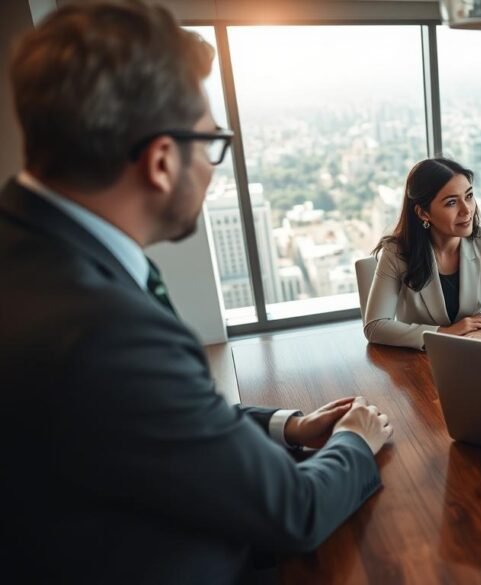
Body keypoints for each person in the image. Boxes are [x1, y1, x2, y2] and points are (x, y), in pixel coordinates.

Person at [0, 2, 392, 583]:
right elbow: (294, 511)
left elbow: (155, 416)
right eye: (211, 144)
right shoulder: (105, 330)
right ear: (161, 161)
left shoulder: (29, 252)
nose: (212, 169)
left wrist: (286, 424)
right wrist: (355, 441)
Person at [363, 157, 481, 349]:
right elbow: (375, 327)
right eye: (451, 203)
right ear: (423, 213)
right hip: (419, 361)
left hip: (477, 353)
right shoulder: (396, 253)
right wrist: (444, 333)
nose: (466, 210)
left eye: (468, 196)